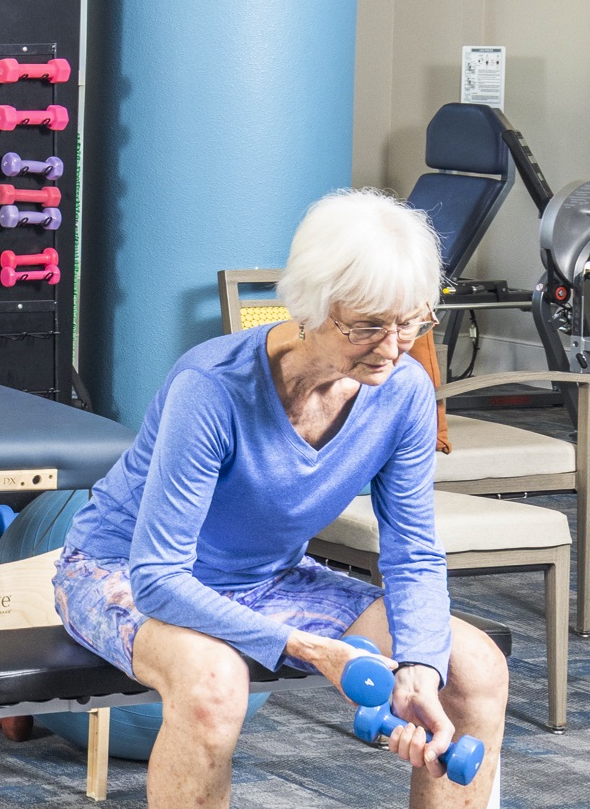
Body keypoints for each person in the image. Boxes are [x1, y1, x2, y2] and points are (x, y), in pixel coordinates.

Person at [56, 189, 506, 809]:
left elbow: (414, 554)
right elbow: (158, 577)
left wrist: (421, 669)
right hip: (120, 571)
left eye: (410, 322)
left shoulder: (403, 392)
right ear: (310, 305)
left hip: (266, 578)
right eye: (367, 326)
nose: (393, 346)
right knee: (216, 683)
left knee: (473, 667)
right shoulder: (210, 390)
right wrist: (309, 648)